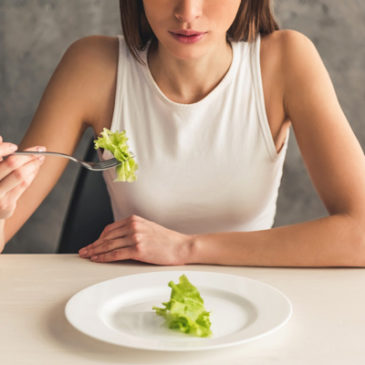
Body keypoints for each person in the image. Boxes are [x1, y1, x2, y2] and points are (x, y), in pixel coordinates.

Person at [1, 0, 365, 266]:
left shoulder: (285, 60)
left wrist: (186, 247)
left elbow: (360, 235)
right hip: (127, 303)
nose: (188, 12)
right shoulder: (92, 67)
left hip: (253, 300)